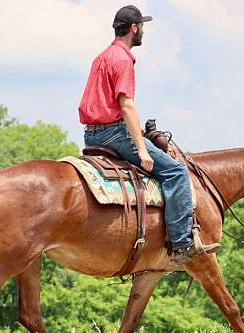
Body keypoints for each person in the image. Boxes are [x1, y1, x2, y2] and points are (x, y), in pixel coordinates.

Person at [78, 5, 219, 264]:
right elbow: (126, 104)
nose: (143, 30)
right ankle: (181, 243)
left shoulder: (102, 57)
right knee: (176, 172)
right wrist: (142, 149)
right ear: (134, 28)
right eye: (141, 26)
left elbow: (104, 103)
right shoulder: (123, 59)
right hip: (113, 133)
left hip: (92, 135)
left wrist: (140, 131)